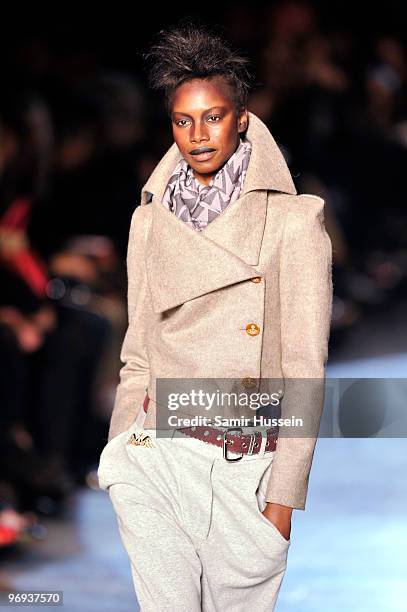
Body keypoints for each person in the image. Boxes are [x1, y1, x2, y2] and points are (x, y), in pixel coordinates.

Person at [98, 20, 333, 612]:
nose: (198, 134)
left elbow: (304, 368)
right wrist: (122, 446)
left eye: (214, 116)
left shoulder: (293, 223)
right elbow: (139, 346)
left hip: (241, 466)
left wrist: (283, 499)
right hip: (156, 456)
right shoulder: (148, 221)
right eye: (183, 120)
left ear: (242, 118)